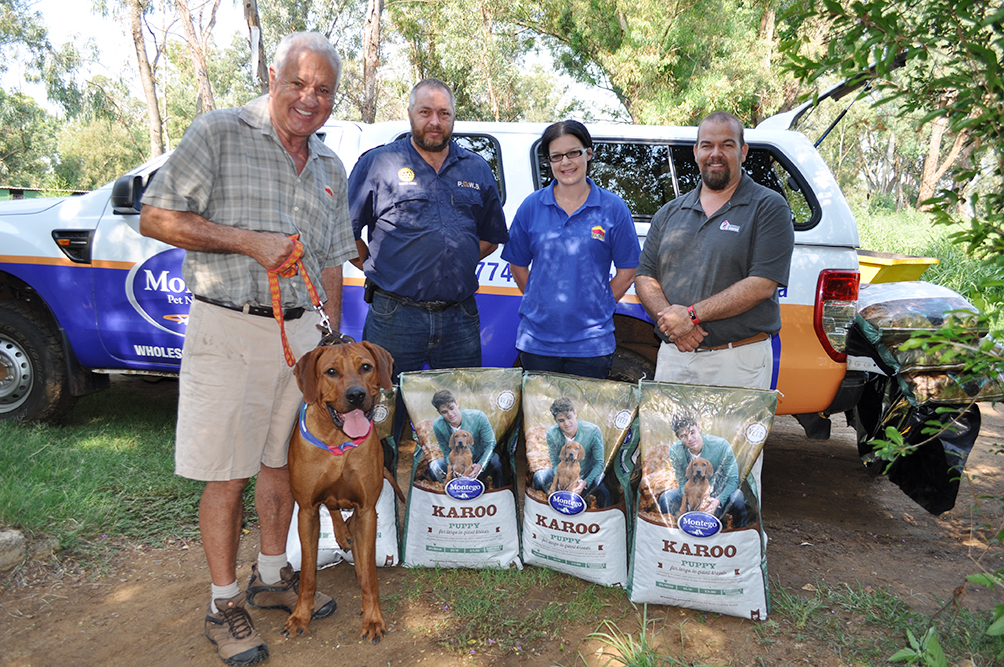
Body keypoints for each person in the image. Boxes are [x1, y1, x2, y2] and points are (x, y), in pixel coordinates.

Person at [139, 32, 353, 667]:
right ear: (272, 76)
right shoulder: (218, 133)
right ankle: (223, 601)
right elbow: (155, 215)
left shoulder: (331, 167)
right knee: (227, 474)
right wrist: (246, 242)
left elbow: (334, 263)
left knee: (282, 462)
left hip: (306, 342)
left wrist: (334, 344)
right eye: (298, 83)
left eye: (323, 90)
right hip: (229, 327)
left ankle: (268, 572)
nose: (309, 99)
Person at [348, 78, 508, 383]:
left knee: (460, 415)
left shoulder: (476, 168)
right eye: (425, 112)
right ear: (410, 113)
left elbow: (490, 237)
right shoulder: (378, 163)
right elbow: (345, 232)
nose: (435, 122)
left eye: (444, 113)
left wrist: (453, 259)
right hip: (395, 316)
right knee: (386, 410)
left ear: (453, 117)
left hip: (460, 318)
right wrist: (377, 267)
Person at [635, 111, 794, 390]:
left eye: (727, 145)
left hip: (737, 360)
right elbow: (645, 277)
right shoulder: (669, 212)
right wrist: (674, 323)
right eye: (707, 145)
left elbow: (762, 285)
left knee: (730, 437)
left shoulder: (768, 207)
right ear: (696, 152)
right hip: (675, 356)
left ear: (743, 152)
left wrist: (691, 316)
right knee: (669, 436)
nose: (715, 153)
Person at [501, 120, 640, 379]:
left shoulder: (613, 208)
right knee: (543, 419)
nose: (566, 162)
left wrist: (601, 303)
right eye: (556, 156)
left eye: (573, 152)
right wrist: (539, 301)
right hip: (537, 343)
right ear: (549, 162)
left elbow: (628, 270)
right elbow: (518, 265)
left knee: (584, 420)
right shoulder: (531, 206)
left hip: (592, 345)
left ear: (589, 153)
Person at [657, 412, 747, 527]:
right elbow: (682, 480)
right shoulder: (676, 451)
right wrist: (689, 502)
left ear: (698, 427)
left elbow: (733, 479)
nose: (690, 439)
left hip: (718, 493)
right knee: (666, 498)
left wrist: (718, 501)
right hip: (693, 494)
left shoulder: (721, 445)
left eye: (692, 432)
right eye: (683, 436)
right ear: (678, 437)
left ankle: (740, 534)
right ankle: (675, 532)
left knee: (737, 497)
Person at [532, 397, 609, 506]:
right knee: (538, 477)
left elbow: (599, 463)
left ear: (575, 413)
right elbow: (554, 462)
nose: (567, 423)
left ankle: (601, 517)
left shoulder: (593, 431)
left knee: (603, 491)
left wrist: (585, 482)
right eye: (561, 420)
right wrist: (559, 478)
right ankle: (543, 508)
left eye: (569, 417)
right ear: (556, 421)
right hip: (562, 473)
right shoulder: (552, 434)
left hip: (586, 473)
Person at [426, 389, 503, 488]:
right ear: (439, 413)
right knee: (434, 468)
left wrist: (480, 465)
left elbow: (490, 444)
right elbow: (446, 451)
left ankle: (497, 494)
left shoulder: (479, 417)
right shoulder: (438, 425)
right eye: (444, 412)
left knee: (496, 462)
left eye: (452, 408)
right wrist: (453, 468)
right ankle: (448, 496)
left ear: (457, 404)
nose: (450, 414)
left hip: (479, 457)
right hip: (457, 461)